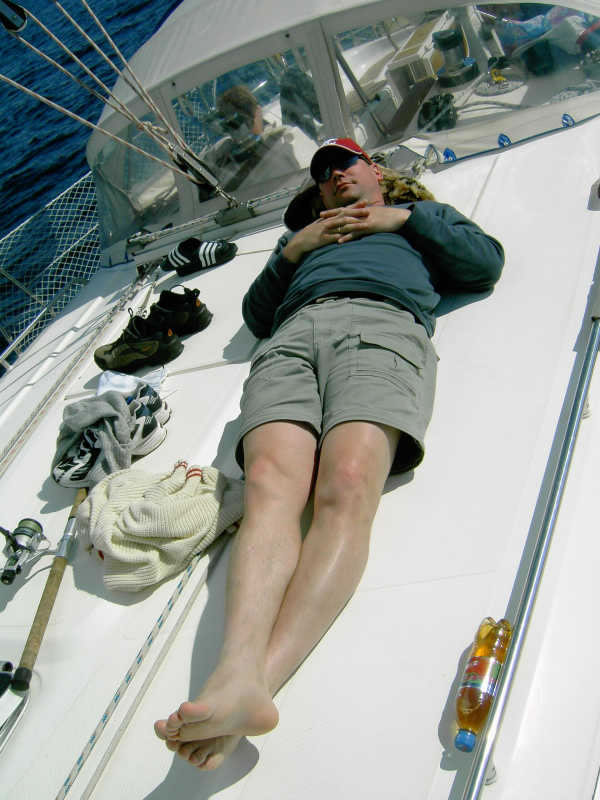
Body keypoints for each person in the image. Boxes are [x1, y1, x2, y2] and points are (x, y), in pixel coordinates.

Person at [154, 137, 505, 769]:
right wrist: (294, 250)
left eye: (346, 163)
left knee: (346, 485)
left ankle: (254, 684)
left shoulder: (417, 217)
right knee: (270, 488)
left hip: (381, 322)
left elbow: (484, 264)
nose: (336, 175)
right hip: (293, 337)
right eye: (323, 174)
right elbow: (258, 316)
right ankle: (237, 673)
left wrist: (402, 221)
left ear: (375, 171)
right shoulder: (304, 239)